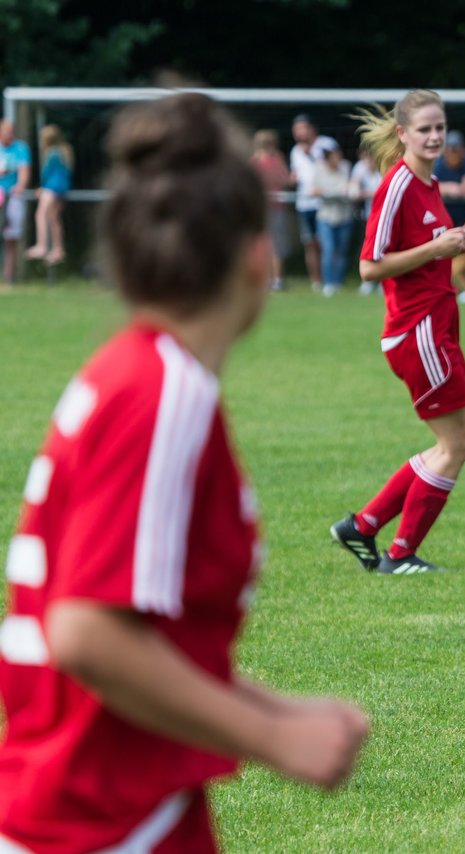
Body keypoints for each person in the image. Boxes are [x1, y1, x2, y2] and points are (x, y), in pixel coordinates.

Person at [0, 92, 368, 852]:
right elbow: (87, 633)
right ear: (255, 255)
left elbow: (151, 639)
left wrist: (278, 712)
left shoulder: (147, 378)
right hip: (97, 818)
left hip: (133, 801)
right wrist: (273, 741)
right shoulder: (159, 393)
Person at [331, 89, 465, 576]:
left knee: (454, 444)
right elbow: (369, 268)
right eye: (425, 129)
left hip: (434, 326)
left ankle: (364, 526)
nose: (435, 136)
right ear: (403, 134)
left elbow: (428, 249)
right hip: (416, 331)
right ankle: (398, 554)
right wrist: (439, 248)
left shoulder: (429, 184)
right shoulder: (397, 186)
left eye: (440, 127)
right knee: (456, 446)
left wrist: (455, 243)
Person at [434, 130, 465, 302]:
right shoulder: (439, 163)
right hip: (448, 219)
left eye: (456, 149)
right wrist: (451, 188)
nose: (453, 153)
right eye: (450, 149)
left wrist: (447, 187)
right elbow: (433, 186)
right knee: (450, 257)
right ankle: (463, 288)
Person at [289, 114, 337, 292]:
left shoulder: (326, 144)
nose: (299, 133)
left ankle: (331, 281)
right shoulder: (295, 151)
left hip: (324, 204)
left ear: (312, 129)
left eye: (302, 129)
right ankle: (316, 282)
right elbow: (295, 175)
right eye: (296, 130)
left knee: (326, 243)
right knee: (310, 243)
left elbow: (336, 166)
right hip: (304, 204)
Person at [25, 124, 73, 267]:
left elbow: (47, 174)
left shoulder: (51, 154)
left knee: (40, 214)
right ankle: (58, 249)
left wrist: (43, 188)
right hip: (63, 188)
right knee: (54, 217)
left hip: (51, 188)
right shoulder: (65, 151)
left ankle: (42, 246)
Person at [312, 139, 355, 297]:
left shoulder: (346, 166)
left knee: (341, 251)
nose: (337, 158)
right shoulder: (318, 168)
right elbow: (315, 190)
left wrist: (330, 192)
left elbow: (348, 189)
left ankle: (338, 282)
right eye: (334, 156)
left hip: (344, 216)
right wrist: (334, 192)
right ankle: (328, 283)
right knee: (328, 250)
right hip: (325, 216)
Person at [250, 128, 291, 291]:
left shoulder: (258, 161)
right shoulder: (259, 161)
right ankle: (272, 279)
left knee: (271, 244)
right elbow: (284, 179)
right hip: (264, 208)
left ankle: (273, 279)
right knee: (269, 244)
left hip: (272, 207)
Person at [349, 144, 384, 295]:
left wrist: (367, 193)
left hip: (385, 217)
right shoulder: (359, 168)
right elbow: (354, 193)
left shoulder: (384, 167)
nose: (368, 160)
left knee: (385, 250)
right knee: (368, 250)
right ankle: (367, 282)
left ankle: (384, 282)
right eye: (366, 157)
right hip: (368, 217)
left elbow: (384, 191)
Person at [0, 119, 32, 284]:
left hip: (12, 196)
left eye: (11, 132)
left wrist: (20, 186)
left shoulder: (20, 148)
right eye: (6, 132)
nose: (9, 135)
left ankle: (9, 276)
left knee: (11, 237)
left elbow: (24, 172)